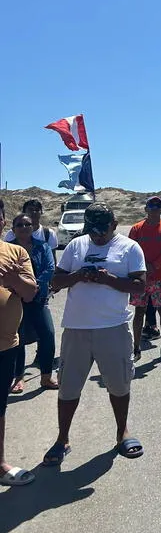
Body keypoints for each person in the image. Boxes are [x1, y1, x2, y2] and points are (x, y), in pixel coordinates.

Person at [42, 203, 146, 465]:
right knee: (67, 387)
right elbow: (56, 281)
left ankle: (122, 432)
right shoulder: (76, 246)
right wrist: (78, 276)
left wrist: (107, 279)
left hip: (113, 328)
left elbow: (139, 287)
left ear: (114, 223)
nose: (97, 236)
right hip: (77, 328)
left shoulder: (130, 247)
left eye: (102, 230)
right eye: (93, 231)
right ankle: (62, 439)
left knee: (119, 385)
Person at [0, 205, 38, 486]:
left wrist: (13, 278)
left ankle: (0, 464)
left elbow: (28, 293)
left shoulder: (16, 253)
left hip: (5, 345)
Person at [8, 214, 57, 392]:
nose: (23, 227)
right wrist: (20, 287)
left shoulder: (42, 246)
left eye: (27, 224)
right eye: (19, 224)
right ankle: (18, 378)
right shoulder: (8, 248)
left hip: (38, 299)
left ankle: (46, 376)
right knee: (18, 339)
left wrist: (32, 286)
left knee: (48, 335)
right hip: (14, 300)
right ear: (13, 229)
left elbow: (50, 268)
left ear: (32, 227)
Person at [129, 197, 161, 361]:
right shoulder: (136, 228)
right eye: (151, 205)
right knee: (139, 311)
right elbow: (130, 250)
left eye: (158, 206)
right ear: (146, 209)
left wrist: (154, 266)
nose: (155, 208)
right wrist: (142, 268)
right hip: (140, 277)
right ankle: (136, 348)